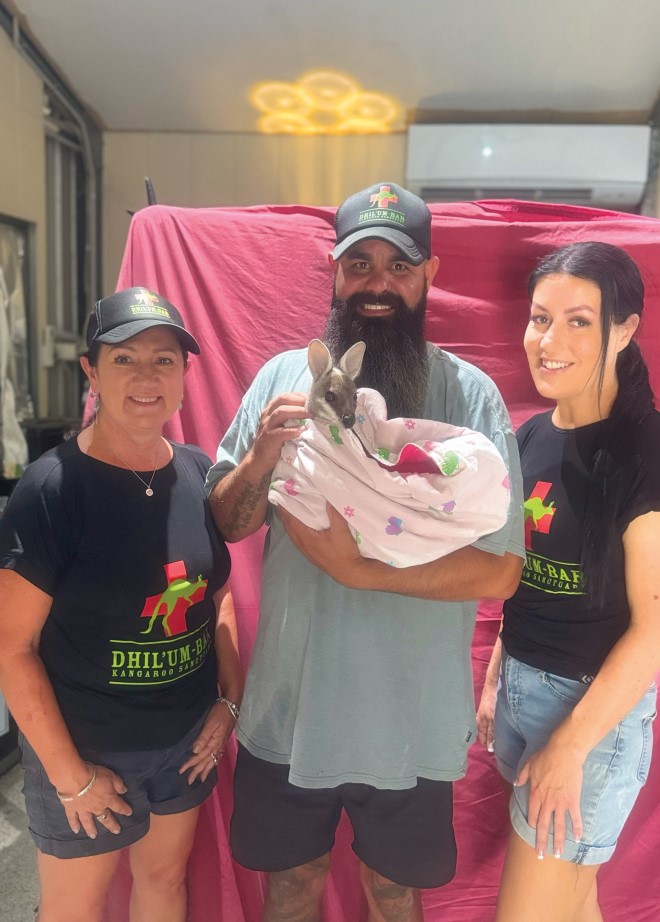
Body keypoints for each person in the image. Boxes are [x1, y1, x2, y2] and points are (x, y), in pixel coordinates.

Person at [206, 182, 525, 922]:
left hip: (407, 721)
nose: (378, 282)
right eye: (360, 264)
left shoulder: (470, 397)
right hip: (289, 711)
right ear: (335, 270)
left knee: (393, 893)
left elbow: (502, 570)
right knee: (288, 887)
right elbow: (228, 525)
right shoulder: (282, 382)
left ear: (429, 274)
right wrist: (257, 461)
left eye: (399, 265)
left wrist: (362, 568)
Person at [0, 287, 242, 922]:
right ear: (91, 371)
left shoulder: (198, 472)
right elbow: (11, 647)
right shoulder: (51, 489)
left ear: (186, 374)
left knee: (163, 885)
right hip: (85, 747)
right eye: (125, 358)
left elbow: (218, 602)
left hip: (184, 745)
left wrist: (228, 700)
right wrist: (68, 775)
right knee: (74, 909)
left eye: (163, 360)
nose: (146, 377)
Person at [475, 242, 660, 922]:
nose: (549, 341)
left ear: (625, 330)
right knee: (573, 910)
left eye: (578, 321)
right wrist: (497, 675)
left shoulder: (647, 451)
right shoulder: (527, 440)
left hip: (591, 721)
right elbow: (524, 578)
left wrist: (572, 745)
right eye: (539, 318)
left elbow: (656, 629)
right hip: (524, 697)